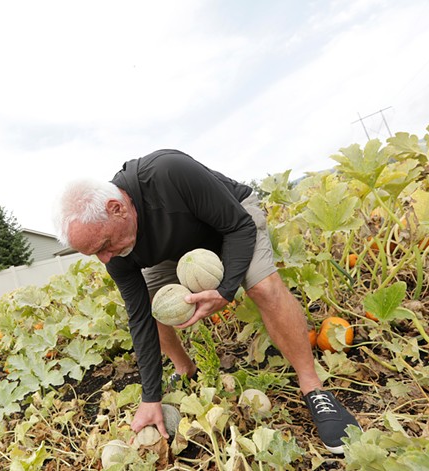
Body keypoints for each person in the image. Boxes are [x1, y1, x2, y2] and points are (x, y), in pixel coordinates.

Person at [53, 149, 360, 454]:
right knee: (153, 304)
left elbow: (239, 226)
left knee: (263, 287)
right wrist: (150, 396)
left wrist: (225, 291)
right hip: (182, 252)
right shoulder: (117, 253)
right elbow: (139, 317)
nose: (106, 258)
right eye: (95, 253)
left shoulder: (167, 172)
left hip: (233, 222)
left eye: (105, 245)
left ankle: (313, 388)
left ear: (116, 208)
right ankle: (184, 368)